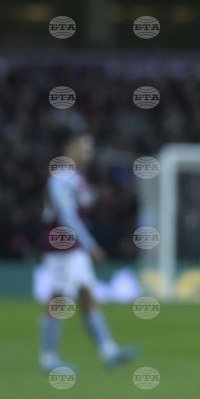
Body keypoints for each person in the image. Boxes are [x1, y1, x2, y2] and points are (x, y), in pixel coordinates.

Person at [38, 132, 139, 371]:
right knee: (58, 299)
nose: (88, 152)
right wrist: (90, 244)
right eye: (83, 147)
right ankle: (48, 358)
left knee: (86, 295)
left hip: (73, 248)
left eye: (90, 147)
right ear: (69, 148)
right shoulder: (63, 176)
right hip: (62, 246)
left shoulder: (75, 177)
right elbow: (66, 216)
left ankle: (108, 351)